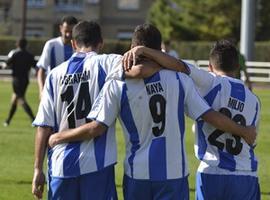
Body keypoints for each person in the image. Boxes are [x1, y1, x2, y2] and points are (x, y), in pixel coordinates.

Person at [47, 24, 256, 200]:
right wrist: (243, 130)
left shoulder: (117, 84)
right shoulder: (179, 80)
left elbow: (96, 127)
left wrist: (58, 136)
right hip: (173, 174)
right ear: (159, 49)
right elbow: (208, 115)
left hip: (137, 174)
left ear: (132, 48)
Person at [32, 21, 181, 200]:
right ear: (100, 43)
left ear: (73, 43)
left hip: (61, 165)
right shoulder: (106, 63)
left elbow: (43, 127)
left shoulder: (54, 75)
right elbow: (142, 69)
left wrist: (37, 170)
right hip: (97, 165)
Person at [181, 40, 260, 200]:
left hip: (211, 171)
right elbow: (251, 139)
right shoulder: (254, 100)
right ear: (238, 67)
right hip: (245, 173)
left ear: (210, 67)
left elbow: (181, 66)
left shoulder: (209, 84)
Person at [36, 15, 78, 99]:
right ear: (61, 28)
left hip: (74, 93)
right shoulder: (51, 45)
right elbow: (41, 70)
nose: (68, 34)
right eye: (66, 31)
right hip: (53, 91)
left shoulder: (79, 47)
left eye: (71, 31)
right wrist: (41, 90)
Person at [3, 38, 36, 127]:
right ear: (26, 45)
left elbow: (6, 65)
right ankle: (8, 121)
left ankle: (33, 119)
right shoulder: (30, 55)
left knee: (21, 99)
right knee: (14, 100)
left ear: (17, 45)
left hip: (16, 80)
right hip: (25, 80)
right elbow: (36, 66)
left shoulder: (15, 54)